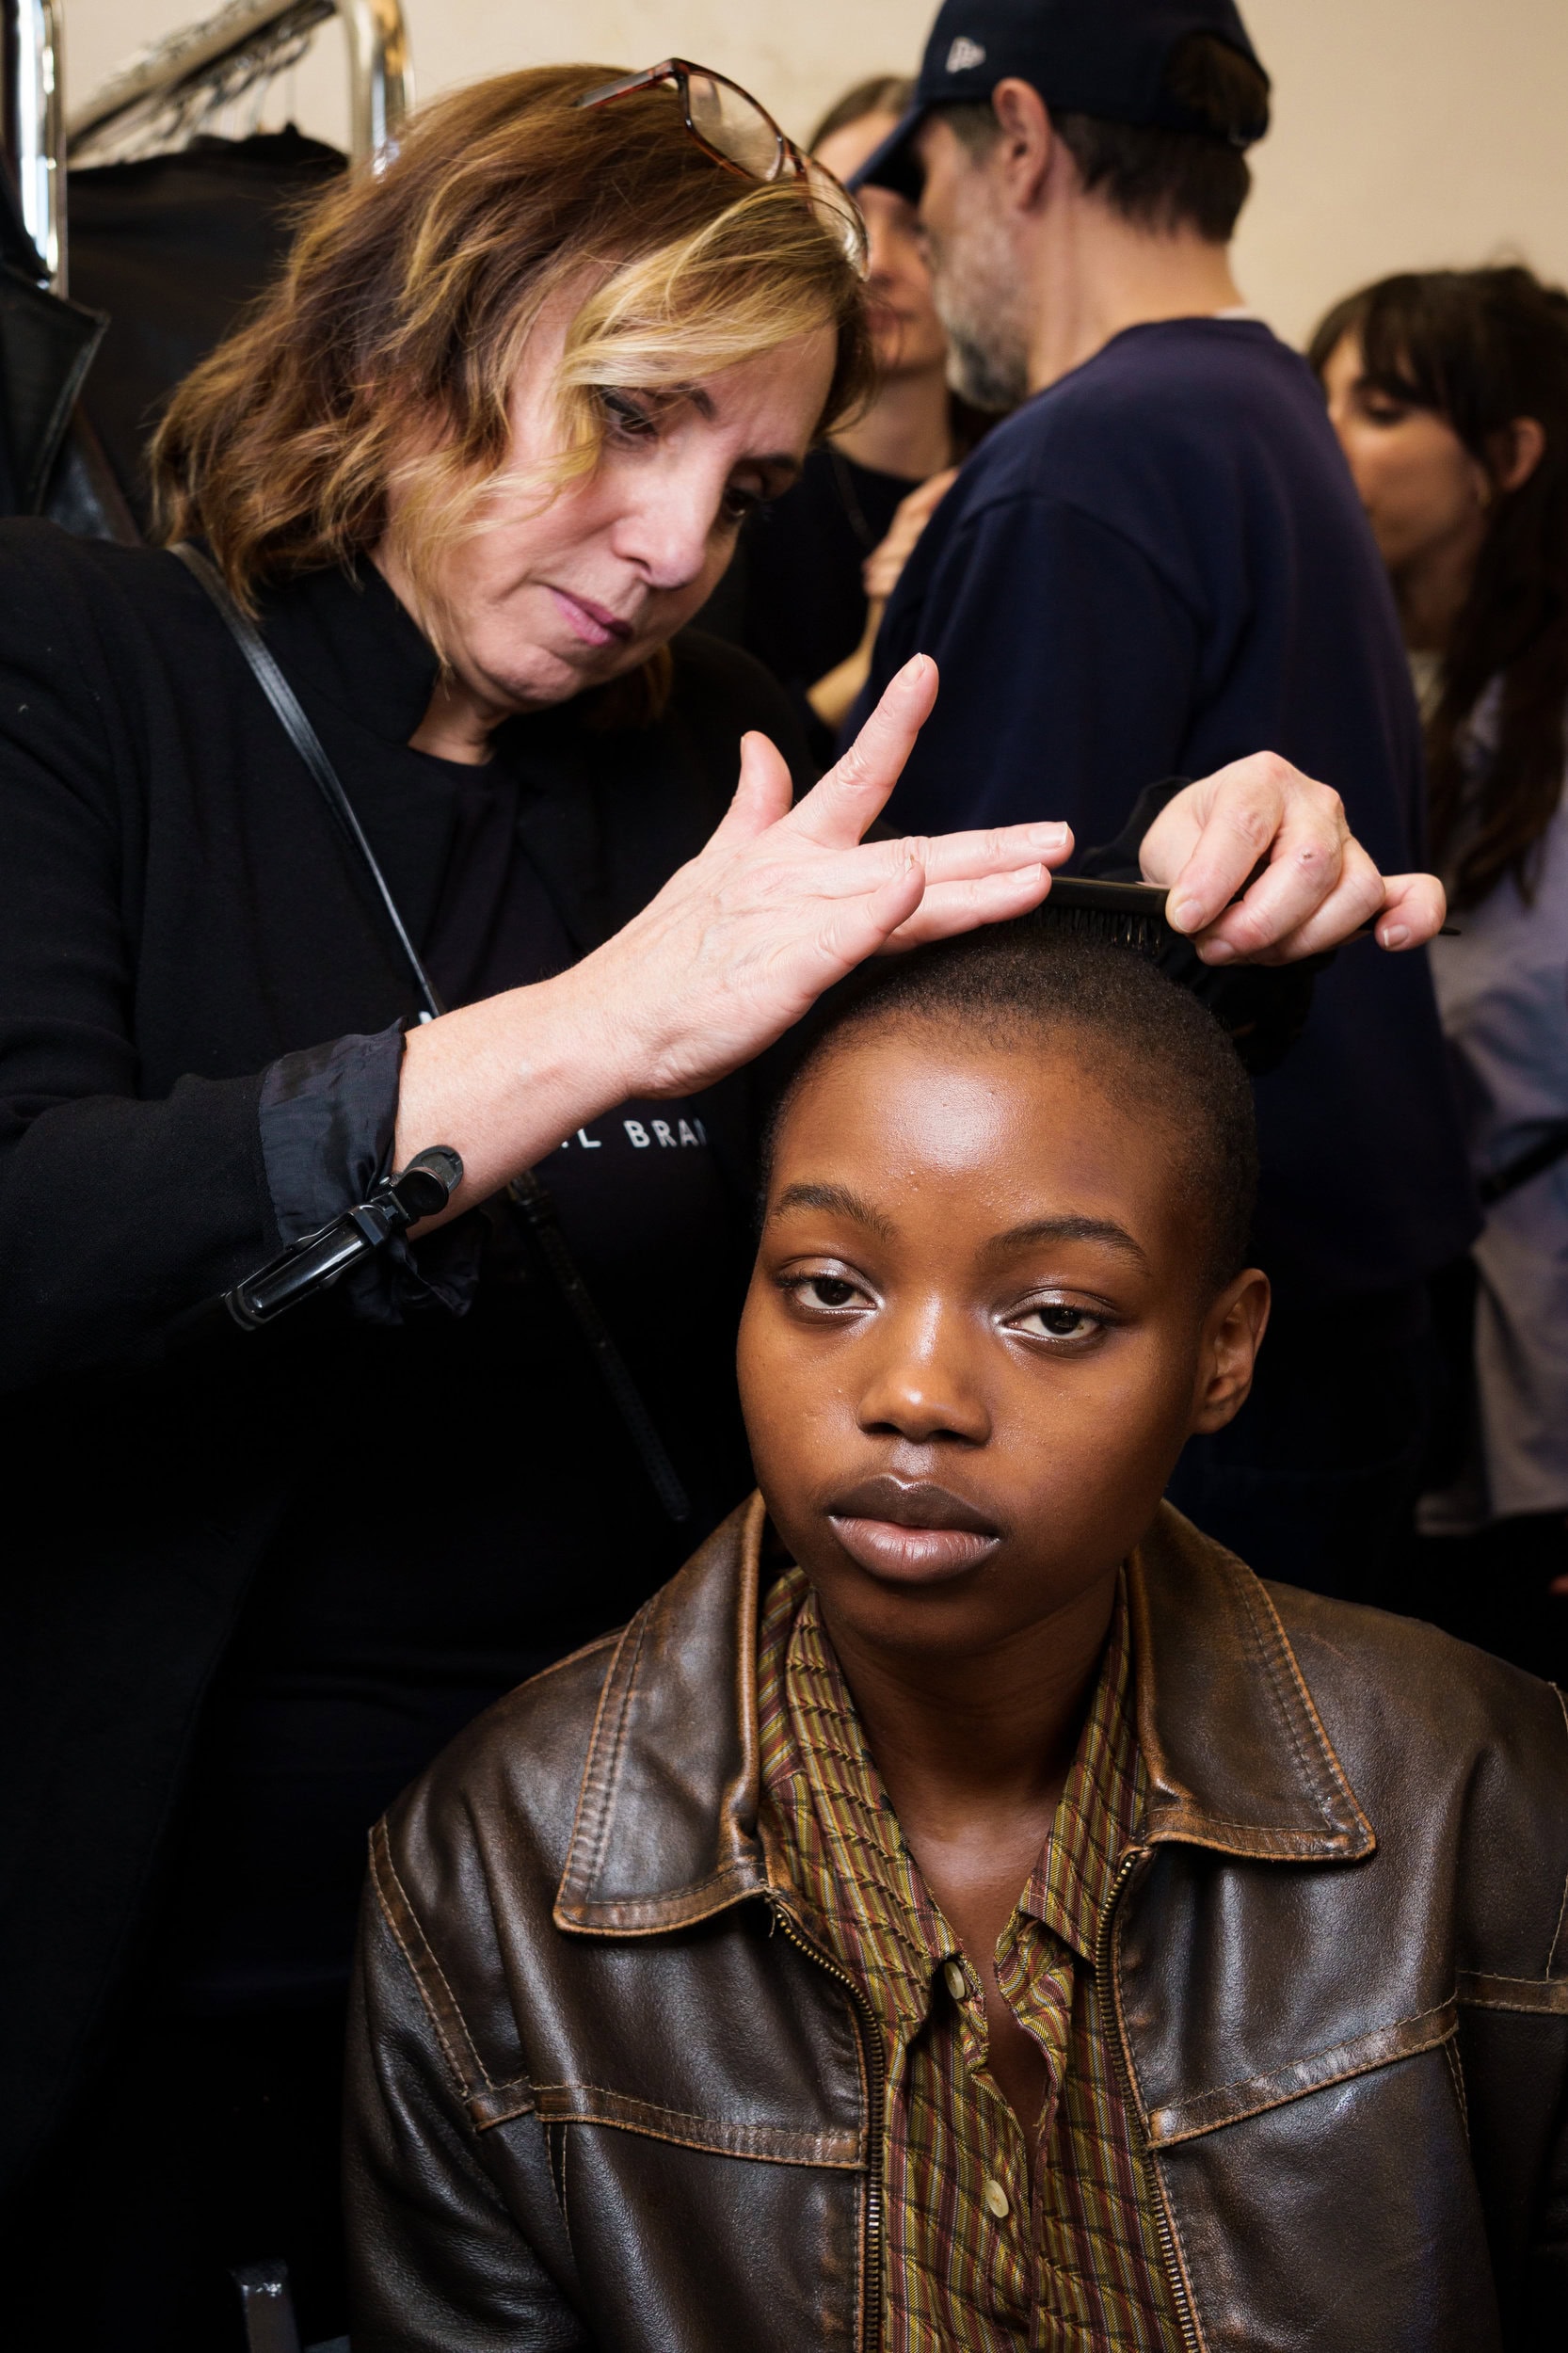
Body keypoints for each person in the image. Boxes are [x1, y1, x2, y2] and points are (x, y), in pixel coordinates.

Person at [0, 56, 1432, 2348]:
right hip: (153, 1950)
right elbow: (36, 1241)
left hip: (627, 1949)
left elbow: (979, 1114)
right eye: (633, 418)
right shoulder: (85, 666)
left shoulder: (721, 748)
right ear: (404, 344)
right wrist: (600, 1030)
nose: (679, 542)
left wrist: (1220, 912)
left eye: (745, 476)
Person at [347, 921, 1568, 2352]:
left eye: (1053, 1314)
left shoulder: (1481, 1789)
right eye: (827, 1287)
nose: (913, 1392)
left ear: (1221, 1353)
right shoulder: (492, 1865)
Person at [843, 0, 1479, 1603]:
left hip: (1184, 1357)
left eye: (922, 187)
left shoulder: (1085, 461)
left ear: (1021, 142)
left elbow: (976, 1001)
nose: (917, 242)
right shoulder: (1260, 407)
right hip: (1322, 1307)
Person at [1312, 266, 1568, 1677]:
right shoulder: (1415, 697)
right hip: (1465, 1366)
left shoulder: (1534, 729)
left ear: (1506, 459)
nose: (1333, 438)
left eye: (1382, 405)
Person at [698, 73, 990, 754]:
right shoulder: (734, 483)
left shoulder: (1017, 476)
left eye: (919, 226)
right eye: (844, 216)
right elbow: (693, 772)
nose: (877, 262)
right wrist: (874, 665)